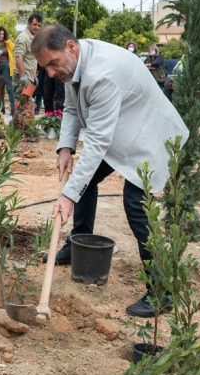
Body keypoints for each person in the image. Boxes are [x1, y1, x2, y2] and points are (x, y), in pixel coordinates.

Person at [32, 24, 189, 318]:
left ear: (70, 47)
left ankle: (162, 290)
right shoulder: (72, 63)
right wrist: (65, 147)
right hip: (122, 132)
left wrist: (68, 195)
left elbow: (97, 142)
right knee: (86, 182)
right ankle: (78, 244)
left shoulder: (102, 74)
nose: (50, 73)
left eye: (53, 64)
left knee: (136, 203)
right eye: (46, 68)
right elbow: (71, 108)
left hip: (150, 136)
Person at [14, 13, 43, 94]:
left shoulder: (33, 37)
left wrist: (34, 76)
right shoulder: (23, 37)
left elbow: (31, 59)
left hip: (30, 77)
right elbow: (18, 57)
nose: (37, 27)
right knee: (21, 101)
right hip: (22, 77)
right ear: (28, 24)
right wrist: (23, 75)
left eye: (39, 25)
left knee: (26, 101)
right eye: (34, 24)